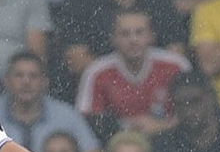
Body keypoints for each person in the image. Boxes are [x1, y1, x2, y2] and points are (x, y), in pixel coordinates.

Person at [75, 9, 191, 139]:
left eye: (139, 32)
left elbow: (194, 111)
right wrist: (125, 129)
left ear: (151, 36)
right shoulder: (96, 72)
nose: (133, 39)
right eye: (125, 34)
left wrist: (161, 125)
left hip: (168, 138)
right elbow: (85, 121)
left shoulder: (176, 65)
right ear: (113, 39)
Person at [0, 51, 103, 152]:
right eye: (19, 76)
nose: (26, 82)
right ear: (6, 81)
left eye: (33, 76)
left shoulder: (66, 115)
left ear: (44, 82)